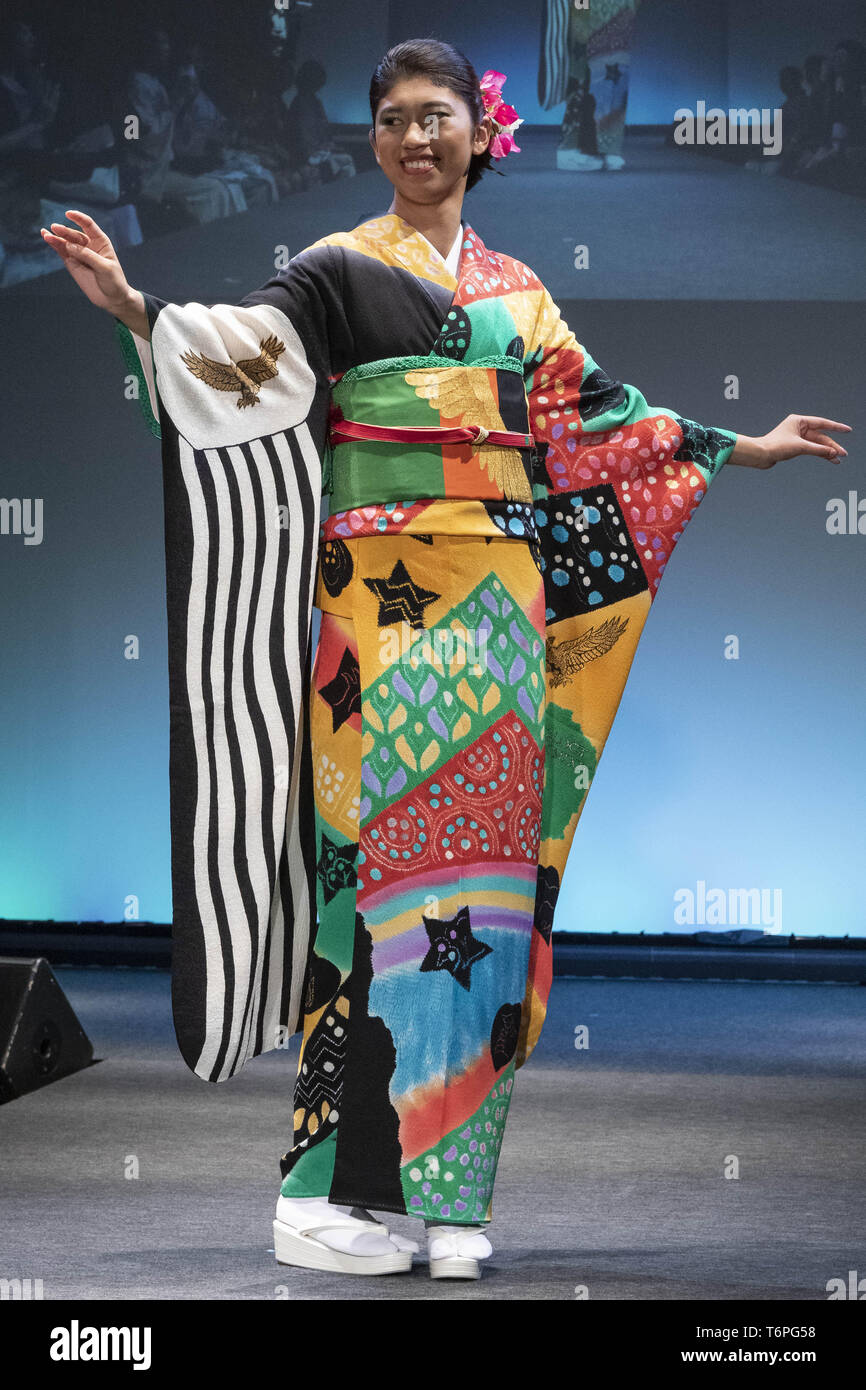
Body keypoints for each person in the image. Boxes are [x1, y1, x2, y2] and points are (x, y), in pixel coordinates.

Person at [41, 38, 850, 1282]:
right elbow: (244, 360)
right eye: (394, 120)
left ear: (482, 134)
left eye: (439, 117)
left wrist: (743, 446)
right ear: (372, 140)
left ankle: (446, 1194)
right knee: (363, 900)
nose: (417, 138)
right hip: (372, 616)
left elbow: (601, 424)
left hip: (497, 618)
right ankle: (319, 1190)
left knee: (483, 901)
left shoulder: (520, 295)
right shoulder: (334, 269)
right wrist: (140, 311)